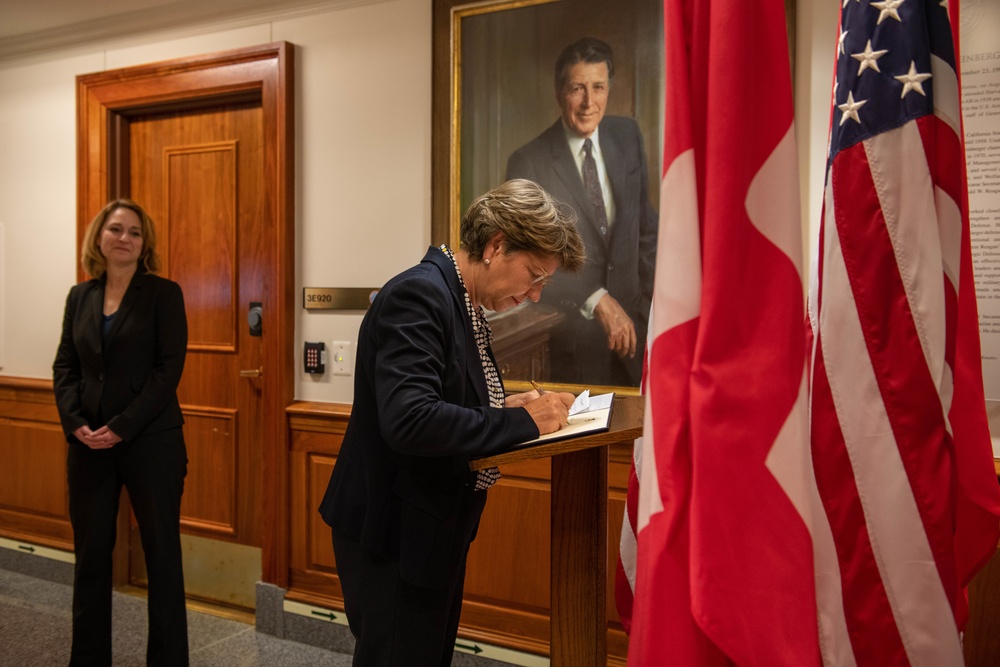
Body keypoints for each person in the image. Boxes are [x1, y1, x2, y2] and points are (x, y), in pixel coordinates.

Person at [318, 179, 585, 666]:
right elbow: (412, 419)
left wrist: (514, 410)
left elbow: (447, 398)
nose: (535, 294)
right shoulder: (420, 294)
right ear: (496, 245)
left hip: (429, 524)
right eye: (533, 275)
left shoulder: (460, 298)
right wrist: (527, 425)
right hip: (394, 527)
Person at [52, 199, 190, 666]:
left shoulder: (164, 294)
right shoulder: (81, 296)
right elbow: (66, 366)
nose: (124, 238)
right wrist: (76, 424)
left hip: (151, 442)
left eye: (134, 231)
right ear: (99, 237)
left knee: (162, 556)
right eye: (115, 229)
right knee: (91, 557)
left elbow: (168, 371)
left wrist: (121, 427)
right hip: (87, 445)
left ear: (144, 242)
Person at [506, 37, 658, 387]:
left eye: (598, 87)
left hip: (638, 338)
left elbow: (646, 228)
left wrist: (648, 311)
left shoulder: (628, 136)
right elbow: (526, 260)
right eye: (578, 88)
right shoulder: (529, 161)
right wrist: (597, 299)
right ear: (560, 93)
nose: (589, 102)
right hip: (574, 349)